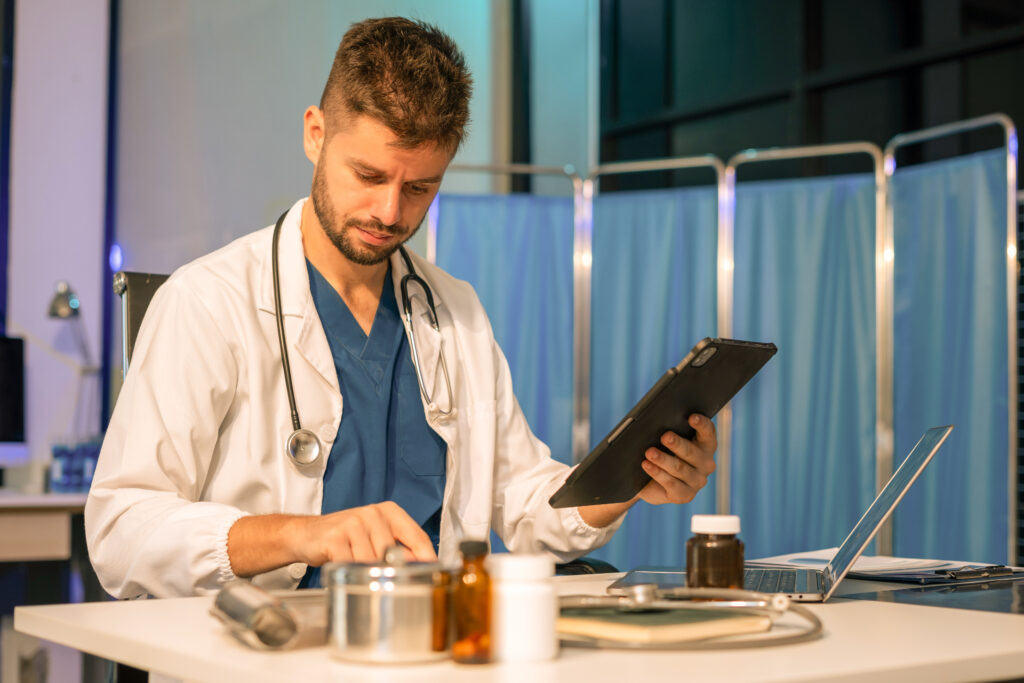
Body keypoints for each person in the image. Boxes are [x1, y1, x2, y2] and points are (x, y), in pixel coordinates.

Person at [85, 17, 717, 599]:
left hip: (425, 646)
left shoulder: (455, 312)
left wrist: (629, 482)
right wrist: (299, 535)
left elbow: (525, 504)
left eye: (420, 187)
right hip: (264, 650)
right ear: (315, 134)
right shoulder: (207, 303)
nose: (391, 213)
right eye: (368, 175)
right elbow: (120, 530)